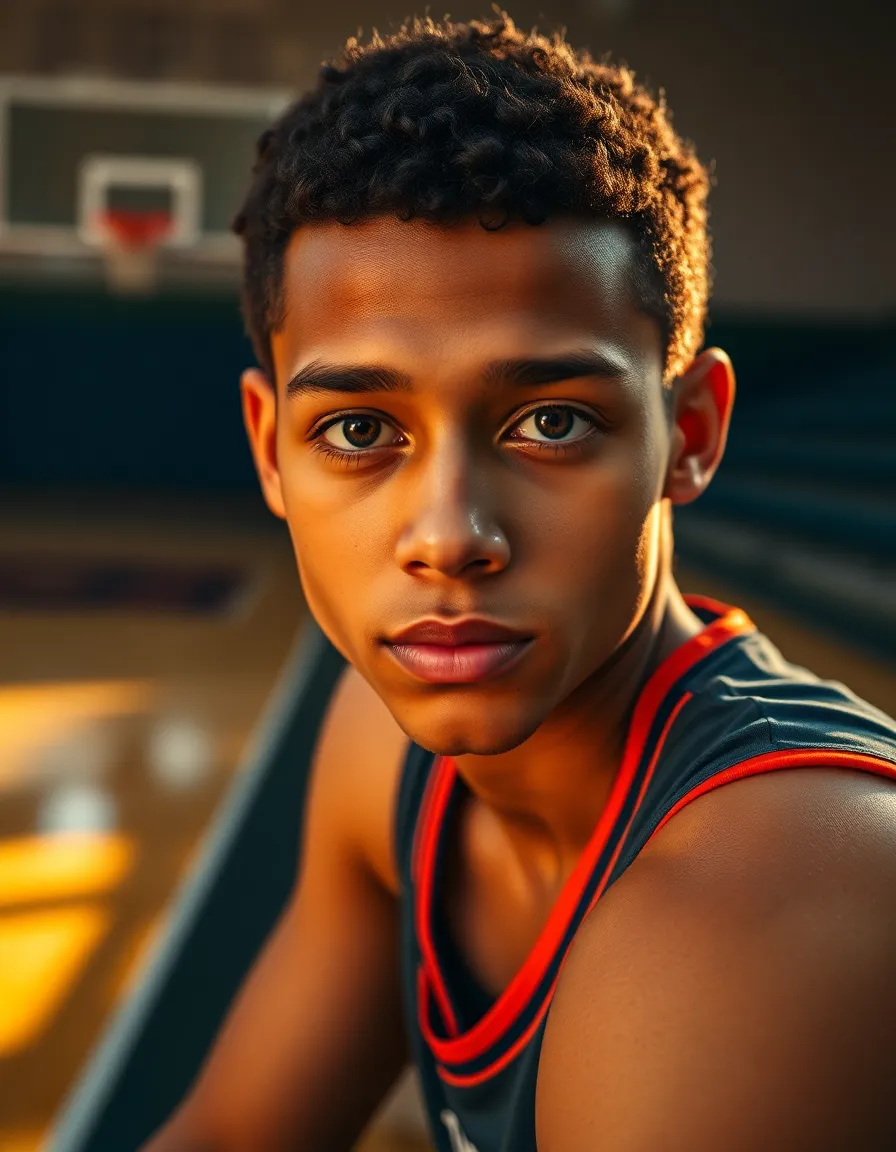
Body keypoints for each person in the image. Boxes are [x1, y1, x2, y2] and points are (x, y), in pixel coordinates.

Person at [143, 11, 896, 1151]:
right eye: (359, 430)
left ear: (689, 432)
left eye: (550, 422)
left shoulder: (768, 909)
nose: (450, 537)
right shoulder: (381, 747)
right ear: (270, 451)